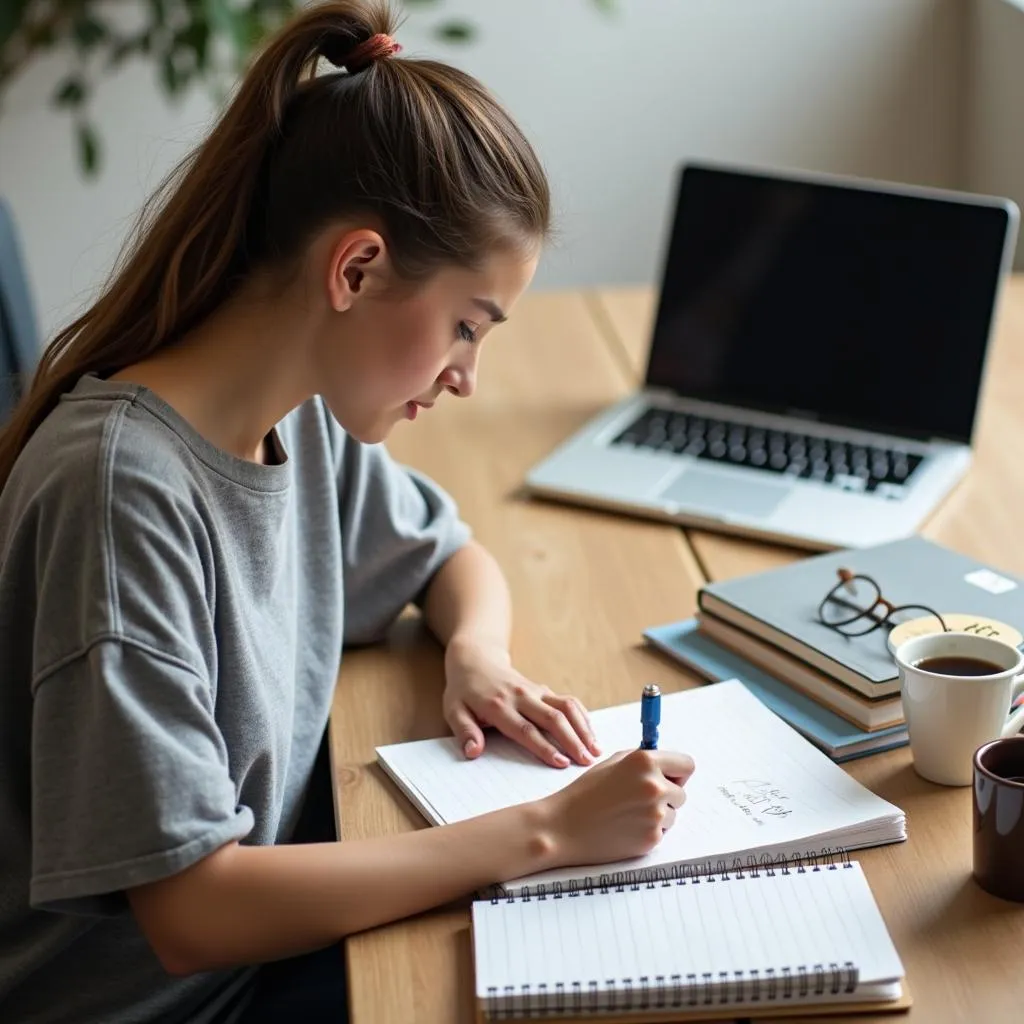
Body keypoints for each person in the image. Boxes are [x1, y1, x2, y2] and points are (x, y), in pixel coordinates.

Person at [0, 2, 695, 1022]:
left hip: (250, 956)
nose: (466, 377)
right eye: (467, 326)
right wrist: (544, 830)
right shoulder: (120, 497)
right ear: (357, 268)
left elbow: (449, 558)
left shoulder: (300, 420)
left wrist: (479, 658)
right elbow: (190, 909)